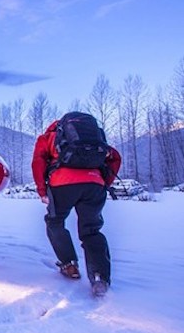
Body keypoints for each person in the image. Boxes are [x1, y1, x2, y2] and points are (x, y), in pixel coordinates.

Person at [31, 115, 121, 297]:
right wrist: (104, 183)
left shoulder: (49, 137)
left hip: (62, 184)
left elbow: (38, 162)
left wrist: (42, 190)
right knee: (91, 230)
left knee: (55, 222)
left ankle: (69, 264)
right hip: (94, 184)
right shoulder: (94, 138)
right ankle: (99, 277)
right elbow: (115, 157)